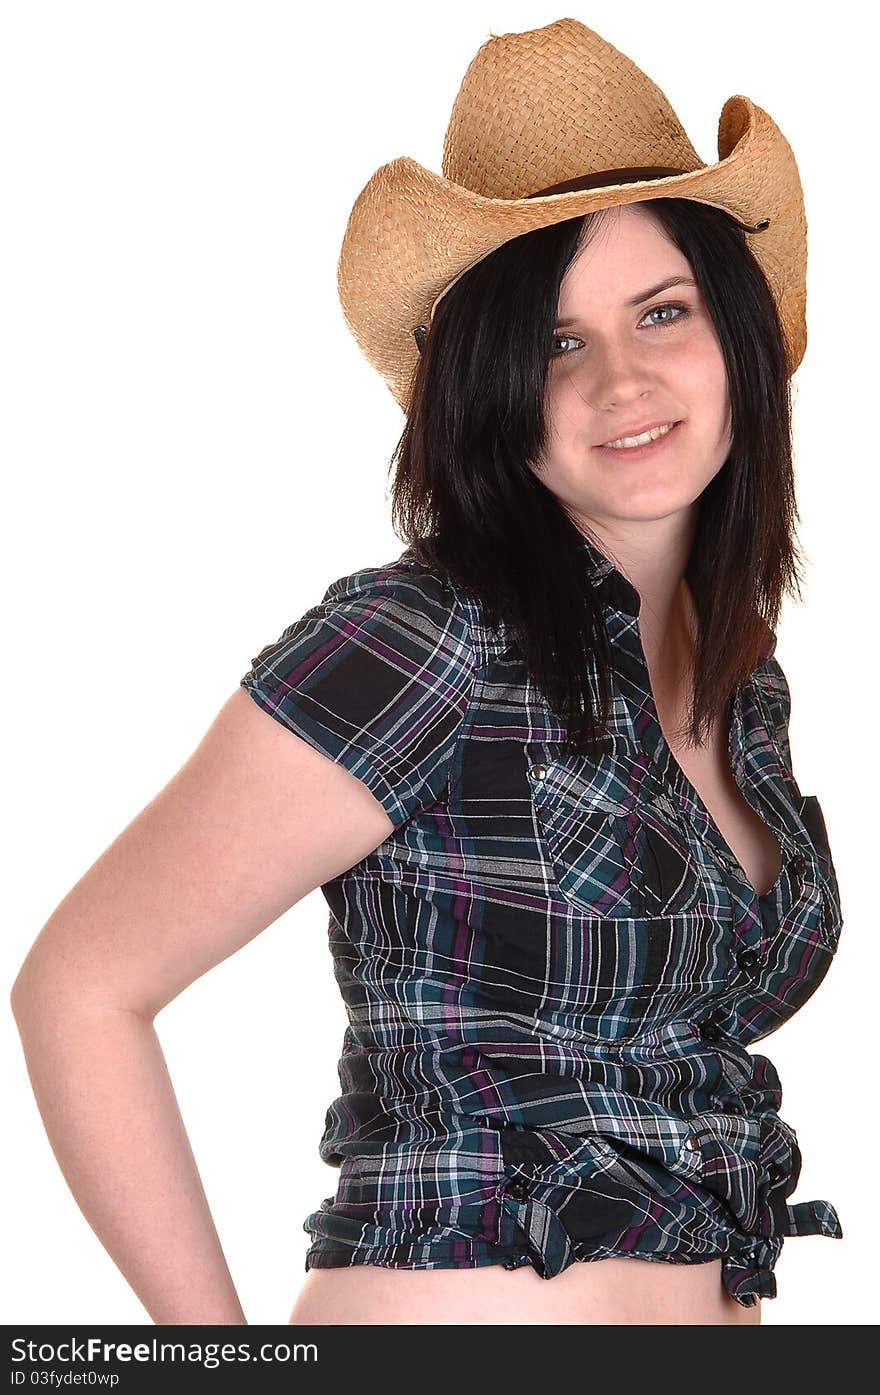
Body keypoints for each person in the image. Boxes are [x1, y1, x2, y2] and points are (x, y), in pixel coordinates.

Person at [10, 18, 843, 1326]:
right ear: (490, 393)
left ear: (736, 334)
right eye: (557, 344)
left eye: (661, 312)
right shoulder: (427, 639)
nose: (620, 379)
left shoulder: (744, 685)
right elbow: (78, 988)